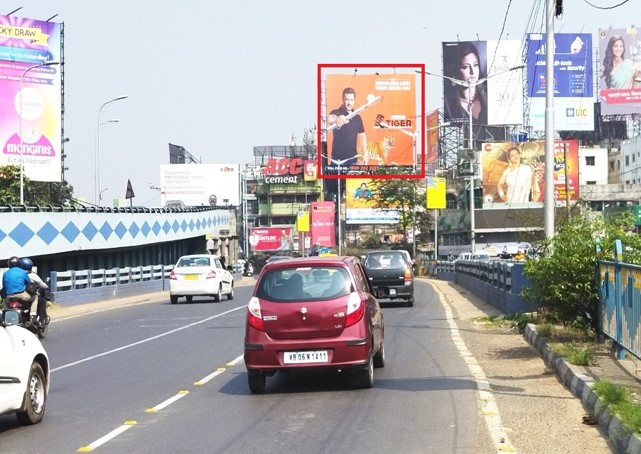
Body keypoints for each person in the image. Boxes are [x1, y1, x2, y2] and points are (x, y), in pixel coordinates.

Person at [443, 42, 488, 126]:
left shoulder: (488, 94)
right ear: (455, 71)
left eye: (475, 65)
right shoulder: (448, 104)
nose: (472, 72)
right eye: (465, 67)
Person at [327, 87, 367, 166]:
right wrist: (337, 119)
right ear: (342, 99)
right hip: (337, 160)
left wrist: (365, 154)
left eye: (351, 100)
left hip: (353, 160)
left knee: (352, 178)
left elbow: (362, 136)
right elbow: (330, 118)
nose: (349, 103)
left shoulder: (357, 117)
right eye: (347, 99)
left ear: (354, 100)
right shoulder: (336, 112)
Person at [20, 257, 49, 326]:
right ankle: (39, 320)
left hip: (14, 296)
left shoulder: (18, 274)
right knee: (41, 302)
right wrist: (46, 288)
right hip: (26, 296)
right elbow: (43, 285)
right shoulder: (32, 275)